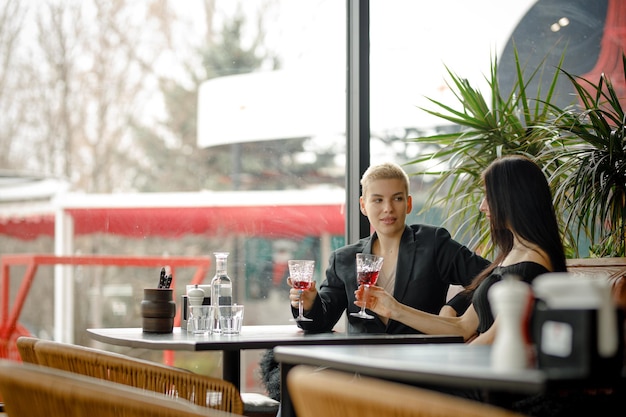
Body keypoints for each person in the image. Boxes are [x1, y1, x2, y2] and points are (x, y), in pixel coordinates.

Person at [356, 155, 567, 345]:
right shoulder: (513, 256)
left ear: (512, 198)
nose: (482, 206)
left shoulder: (532, 266)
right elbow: (463, 327)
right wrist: (394, 309)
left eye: (488, 195)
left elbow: (496, 338)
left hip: (489, 378)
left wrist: (443, 363)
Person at [288, 161, 490, 334]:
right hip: (364, 367)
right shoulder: (345, 259)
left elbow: (492, 277)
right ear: (363, 206)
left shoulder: (433, 243)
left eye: (397, 198)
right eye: (378, 200)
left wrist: (452, 307)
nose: (388, 208)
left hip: (423, 362)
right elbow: (321, 322)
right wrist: (308, 303)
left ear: (408, 204)